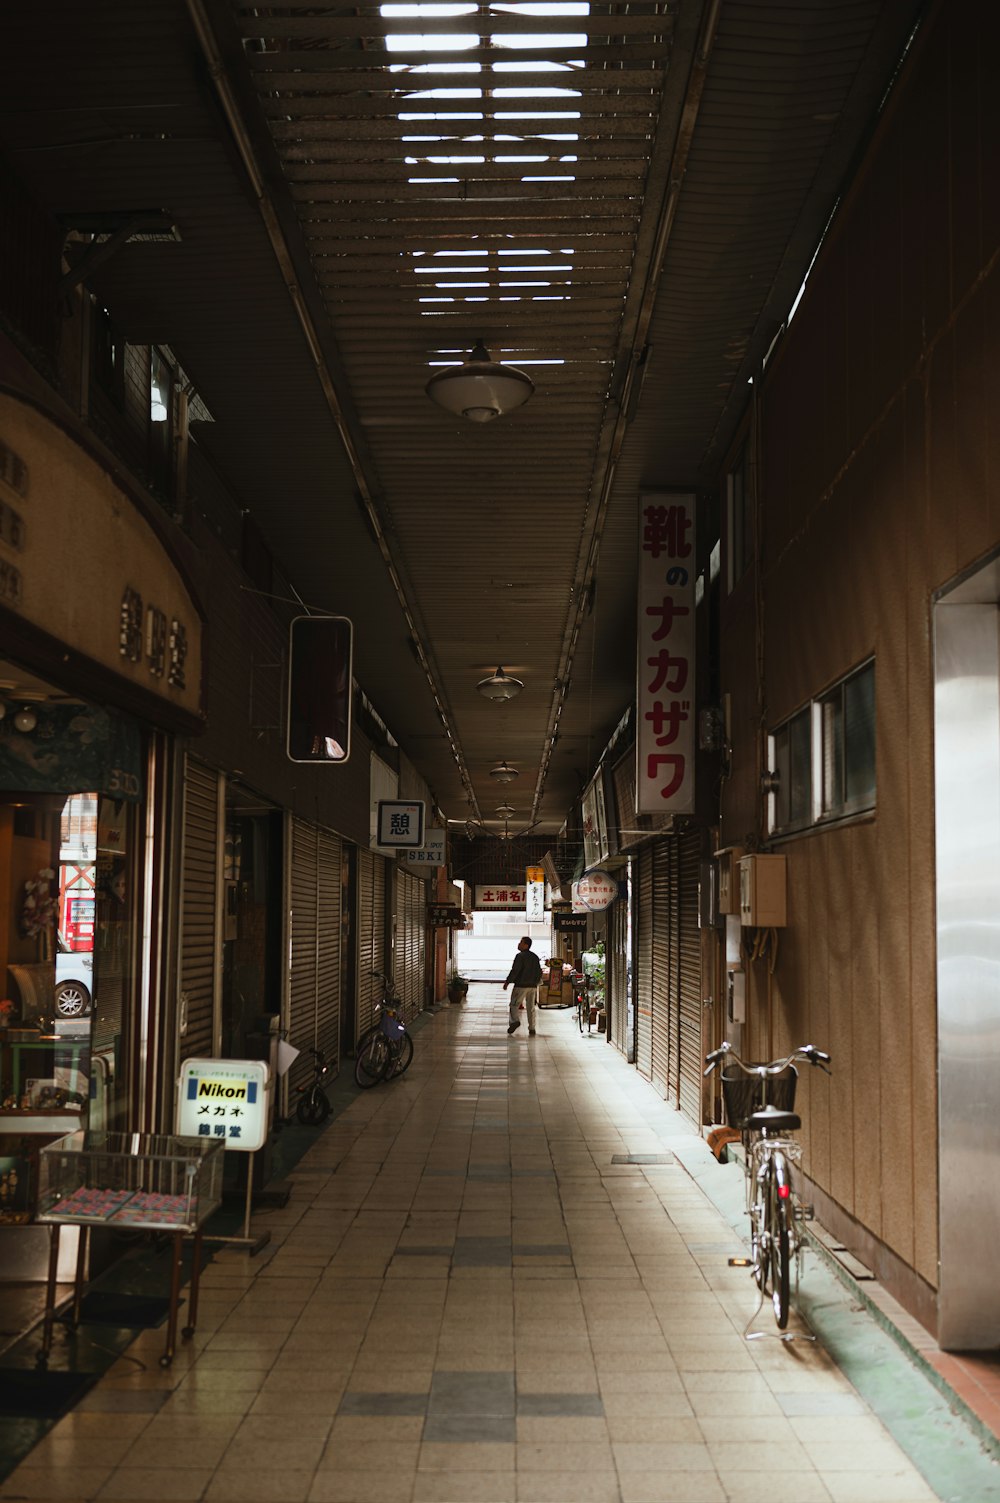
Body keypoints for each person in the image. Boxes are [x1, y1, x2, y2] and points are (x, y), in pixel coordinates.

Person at [502, 935, 542, 1036]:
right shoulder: (535, 957)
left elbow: (515, 971)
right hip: (532, 986)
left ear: (526, 945)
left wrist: (507, 982)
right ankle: (532, 1028)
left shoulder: (520, 956)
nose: (518, 944)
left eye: (521, 942)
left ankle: (515, 1021)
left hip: (521, 985)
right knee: (531, 1007)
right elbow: (539, 972)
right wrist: (536, 982)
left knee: (514, 1005)